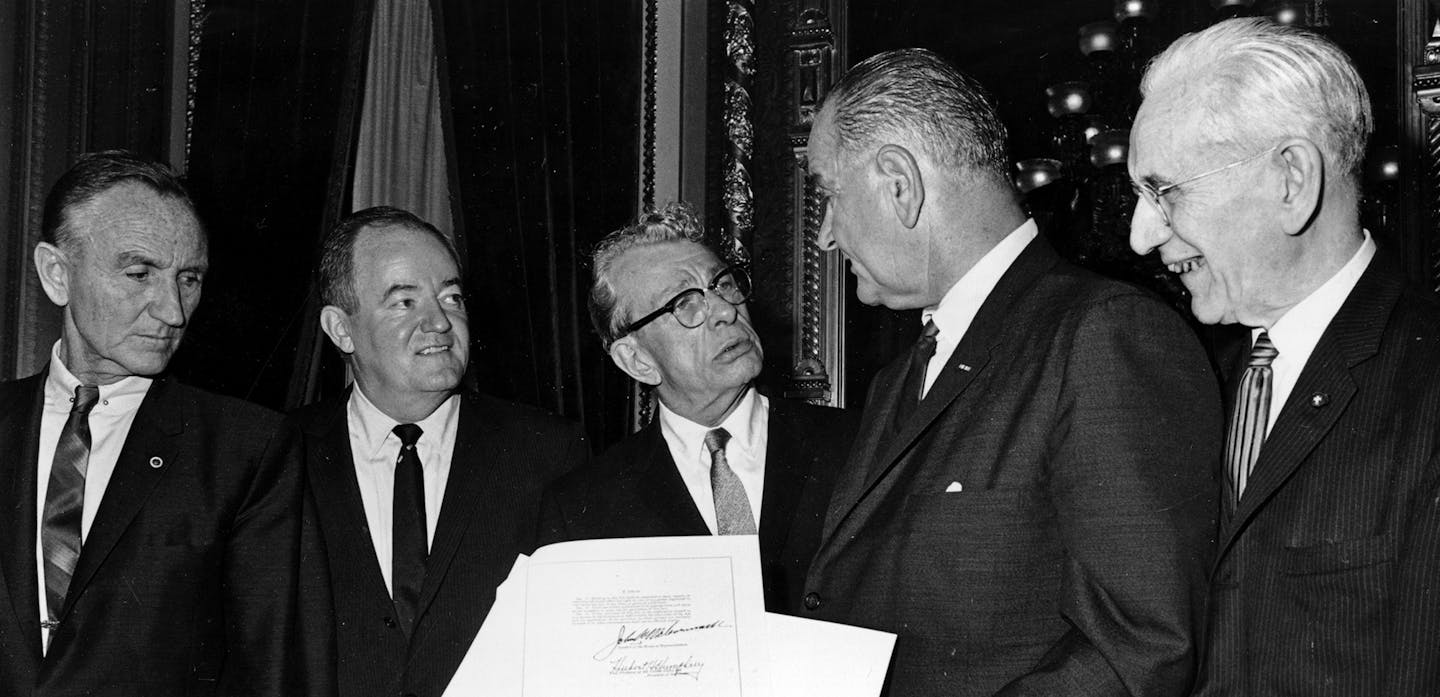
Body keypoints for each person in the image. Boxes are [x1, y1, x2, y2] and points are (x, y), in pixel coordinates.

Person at [802, 49, 1222, 696]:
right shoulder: (900, 376)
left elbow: (1142, 650)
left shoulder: (1101, 335)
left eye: (828, 193)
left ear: (898, 182)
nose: (826, 234)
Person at [1128, 18, 1440, 696]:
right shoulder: (1196, 379)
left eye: (1163, 190)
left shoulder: (1427, 386)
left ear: (1292, 178)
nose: (1140, 234)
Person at [0, 150, 302, 695]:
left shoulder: (247, 450)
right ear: (56, 274)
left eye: (188, 278)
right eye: (140, 273)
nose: (173, 310)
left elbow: (268, 670)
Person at [295, 206, 589, 697]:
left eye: (451, 297)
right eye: (404, 302)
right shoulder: (280, 456)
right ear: (341, 329)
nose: (440, 322)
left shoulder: (546, 451)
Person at [539, 203, 856, 614]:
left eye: (723, 285)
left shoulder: (857, 445)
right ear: (637, 360)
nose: (726, 311)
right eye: (684, 304)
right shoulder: (583, 509)